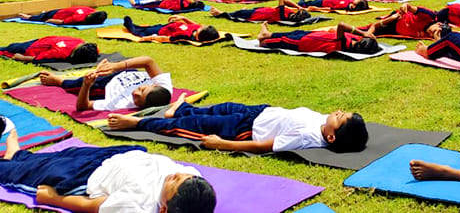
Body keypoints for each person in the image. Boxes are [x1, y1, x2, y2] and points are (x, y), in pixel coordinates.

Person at [0, 132, 215, 213]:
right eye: (184, 176)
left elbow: (92, 206)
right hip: (117, 155)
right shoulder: (195, 183)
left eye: (175, 182)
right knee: (58, 156)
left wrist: (54, 199)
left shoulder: (138, 206)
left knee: (32, 172)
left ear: (164, 210)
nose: (176, 174)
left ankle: (11, 163)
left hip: (86, 176)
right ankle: (16, 154)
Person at [106, 97, 368, 154]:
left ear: (332, 137)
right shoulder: (324, 124)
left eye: (341, 117)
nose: (338, 111)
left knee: (191, 125)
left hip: (244, 130)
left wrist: (223, 144)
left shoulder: (308, 137)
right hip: (257, 112)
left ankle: (138, 122)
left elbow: (264, 146)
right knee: (217, 109)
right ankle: (180, 108)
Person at [40, 55, 173, 113]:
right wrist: (117, 66)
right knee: (131, 64)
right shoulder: (164, 86)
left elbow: (83, 106)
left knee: (77, 84)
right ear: (155, 86)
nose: (135, 92)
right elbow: (148, 61)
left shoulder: (121, 104)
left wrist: (87, 85)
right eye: (141, 89)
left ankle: (59, 80)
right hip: (125, 72)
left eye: (137, 99)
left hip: (105, 85)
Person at [255, 22, 380, 55]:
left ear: (360, 40)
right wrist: (368, 33)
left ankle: (264, 42)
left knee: (285, 40)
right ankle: (266, 34)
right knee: (293, 33)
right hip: (314, 35)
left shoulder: (345, 44)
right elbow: (373, 27)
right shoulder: (353, 42)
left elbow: (341, 25)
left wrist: (363, 33)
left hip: (307, 42)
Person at [0, 36, 98, 65]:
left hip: (40, 41)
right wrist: (21, 57)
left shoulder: (80, 41)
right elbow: (38, 58)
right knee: (9, 49)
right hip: (30, 47)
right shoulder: (60, 52)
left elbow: (38, 58)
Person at [122, 15, 220, 43]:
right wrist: (183, 18)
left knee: (138, 31)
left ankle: (129, 25)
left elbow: (166, 39)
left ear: (201, 35)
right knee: (146, 27)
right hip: (165, 26)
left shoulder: (184, 36)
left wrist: (150, 38)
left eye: (203, 28)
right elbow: (195, 24)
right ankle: (135, 25)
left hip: (159, 32)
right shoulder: (197, 28)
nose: (202, 26)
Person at [16, 7, 108, 26]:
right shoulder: (86, 13)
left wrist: (51, 20)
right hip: (59, 12)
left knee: (41, 17)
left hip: (58, 13)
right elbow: (63, 22)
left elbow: (62, 22)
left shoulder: (88, 12)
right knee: (44, 15)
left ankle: (27, 17)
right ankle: (34, 16)